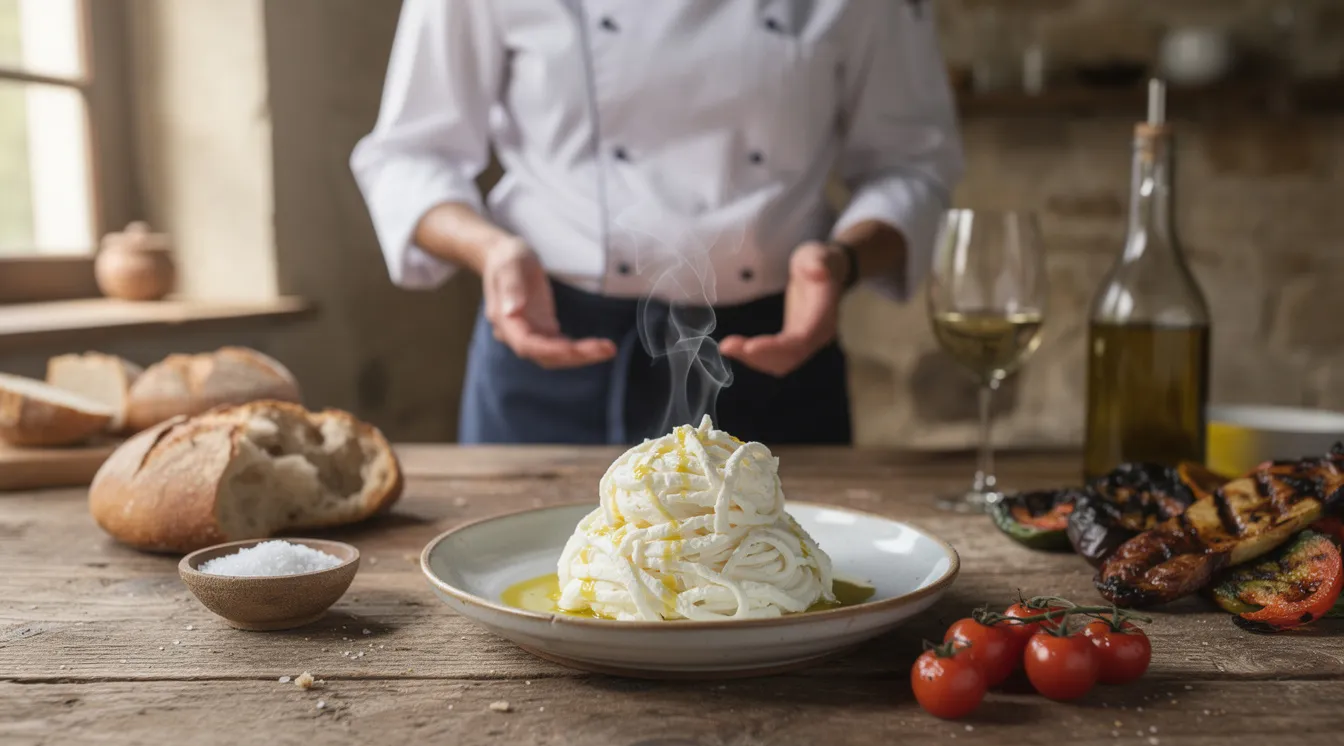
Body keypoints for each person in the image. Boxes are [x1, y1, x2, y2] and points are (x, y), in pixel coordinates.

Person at [352, 0, 963, 446]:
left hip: (771, 357)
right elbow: (410, 156)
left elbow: (910, 163)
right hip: (553, 350)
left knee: (791, 595)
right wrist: (492, 253)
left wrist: (842, 261)